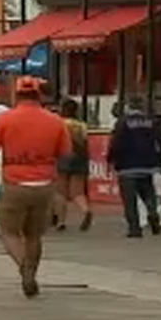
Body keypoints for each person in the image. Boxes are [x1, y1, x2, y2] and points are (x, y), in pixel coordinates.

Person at [0, 76, 71, 297]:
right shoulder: (55, 121)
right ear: (39, 95)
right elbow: (65, 154)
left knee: (9, 232)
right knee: (34, 235)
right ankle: (32, 271)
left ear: (17, 94)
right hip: (44, 185)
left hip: (14, 183)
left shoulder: (5, 119)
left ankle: (24, 268)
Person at [107, 96, 161, 238]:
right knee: (148, 192)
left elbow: (115, 143)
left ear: (129, 106)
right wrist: (159, 159)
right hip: (147, 165)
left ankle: (134, 229)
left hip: (127, 166)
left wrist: (111, 160)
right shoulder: (151, 121)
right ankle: (152, 212)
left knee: (130, 200)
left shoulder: (122, 122)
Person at [54, 98, 92, 231]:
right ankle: (86, 210)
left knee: (60, 192)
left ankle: (61, 221)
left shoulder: (58, 123)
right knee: (78, 192)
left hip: (62, 157)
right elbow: (86, 144)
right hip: (80, 158)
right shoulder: (82, 125)